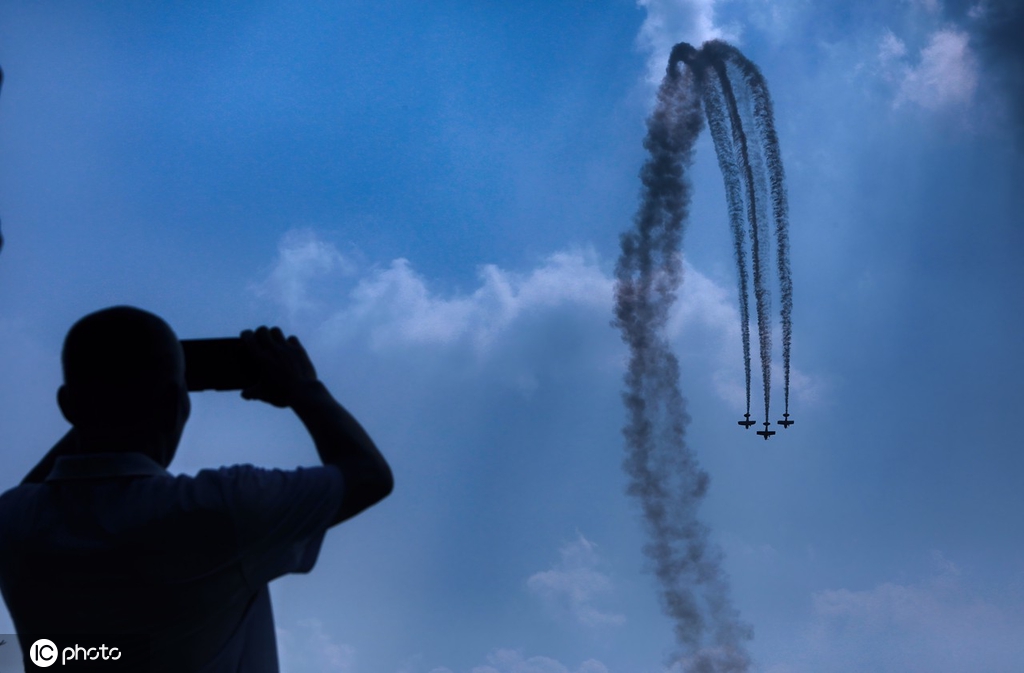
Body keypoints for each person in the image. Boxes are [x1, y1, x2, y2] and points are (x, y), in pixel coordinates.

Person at [0, 306, 393, 672]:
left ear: (68, 407)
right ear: (176, 403)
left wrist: (98, 409)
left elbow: (32, 489)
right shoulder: (219, 508)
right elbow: (367, 475)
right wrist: (304, 387)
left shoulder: (16, 523)